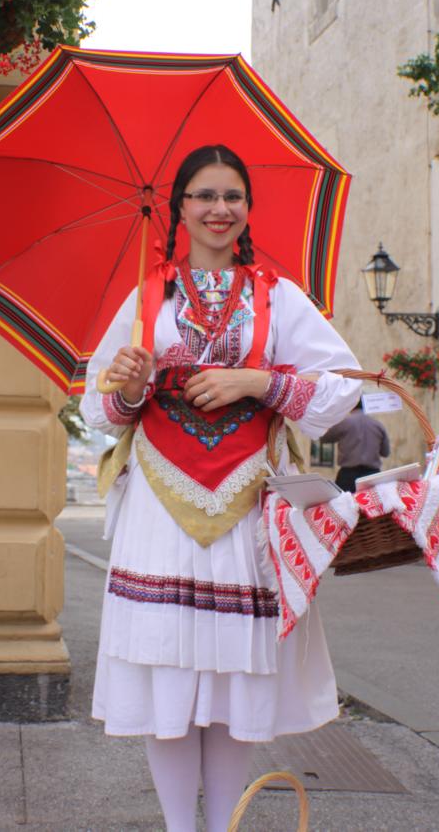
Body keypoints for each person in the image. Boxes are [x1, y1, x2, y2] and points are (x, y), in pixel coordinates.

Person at [80, 144, 362, 832]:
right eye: (204, 195)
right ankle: (181, 827)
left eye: (232, 196)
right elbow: (100, 412)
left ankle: (223, 827)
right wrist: (134, 383)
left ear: (247, 209)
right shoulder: (148, 298)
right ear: (178, 207)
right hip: (160, 502)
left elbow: (344, 387)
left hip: (245, 500)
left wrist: (257, 380)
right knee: (170, 670)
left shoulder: (278, 297)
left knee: (235, 677)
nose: (219, 209)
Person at [321, 400, 390, 492]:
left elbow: (324, 438)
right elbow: (385, 452)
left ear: (351, 405)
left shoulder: (344, 422)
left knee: (344, 505)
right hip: (373, 476)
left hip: (348, 476)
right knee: (370, 505)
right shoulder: (378, 425)